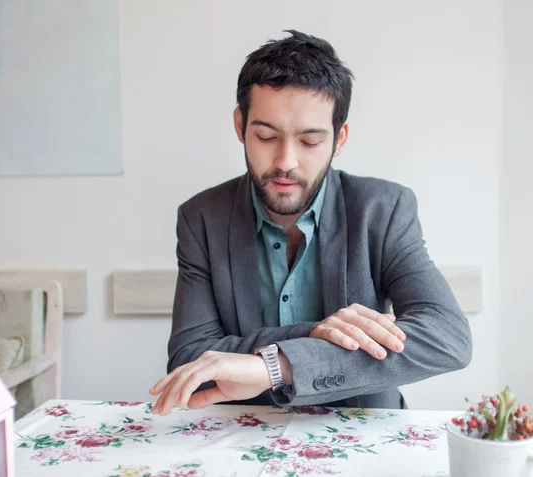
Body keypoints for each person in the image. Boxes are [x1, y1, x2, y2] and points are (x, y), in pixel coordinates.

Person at [149, 30, 472, 416]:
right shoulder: (202, 217)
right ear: (240, 126)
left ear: (339, 139)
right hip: (243, 433)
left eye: (310, 141)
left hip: (362, 428)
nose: (286, 161)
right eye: (266, 136)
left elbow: (447, 338)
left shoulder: (383, 209)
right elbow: (189, 360)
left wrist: (278, 364)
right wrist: (310, 334)